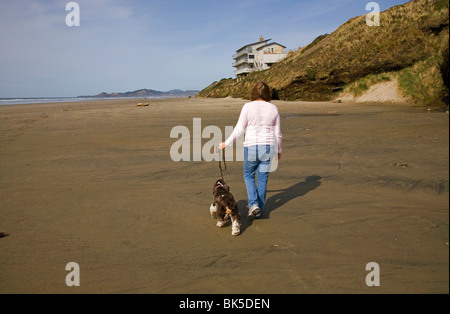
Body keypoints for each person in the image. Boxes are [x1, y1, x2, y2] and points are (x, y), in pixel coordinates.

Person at [219, 82, 282, 218]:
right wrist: (279, 150)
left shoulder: (248, 106)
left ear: (253, 93)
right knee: (263, 178)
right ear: (267, 94)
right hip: (268, 146)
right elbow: (278, 133)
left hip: (252, 146)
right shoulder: (273, 108)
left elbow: (239, 129)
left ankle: (254, 204)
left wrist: (227, 143)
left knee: (248, 174)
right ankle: (258, 208)